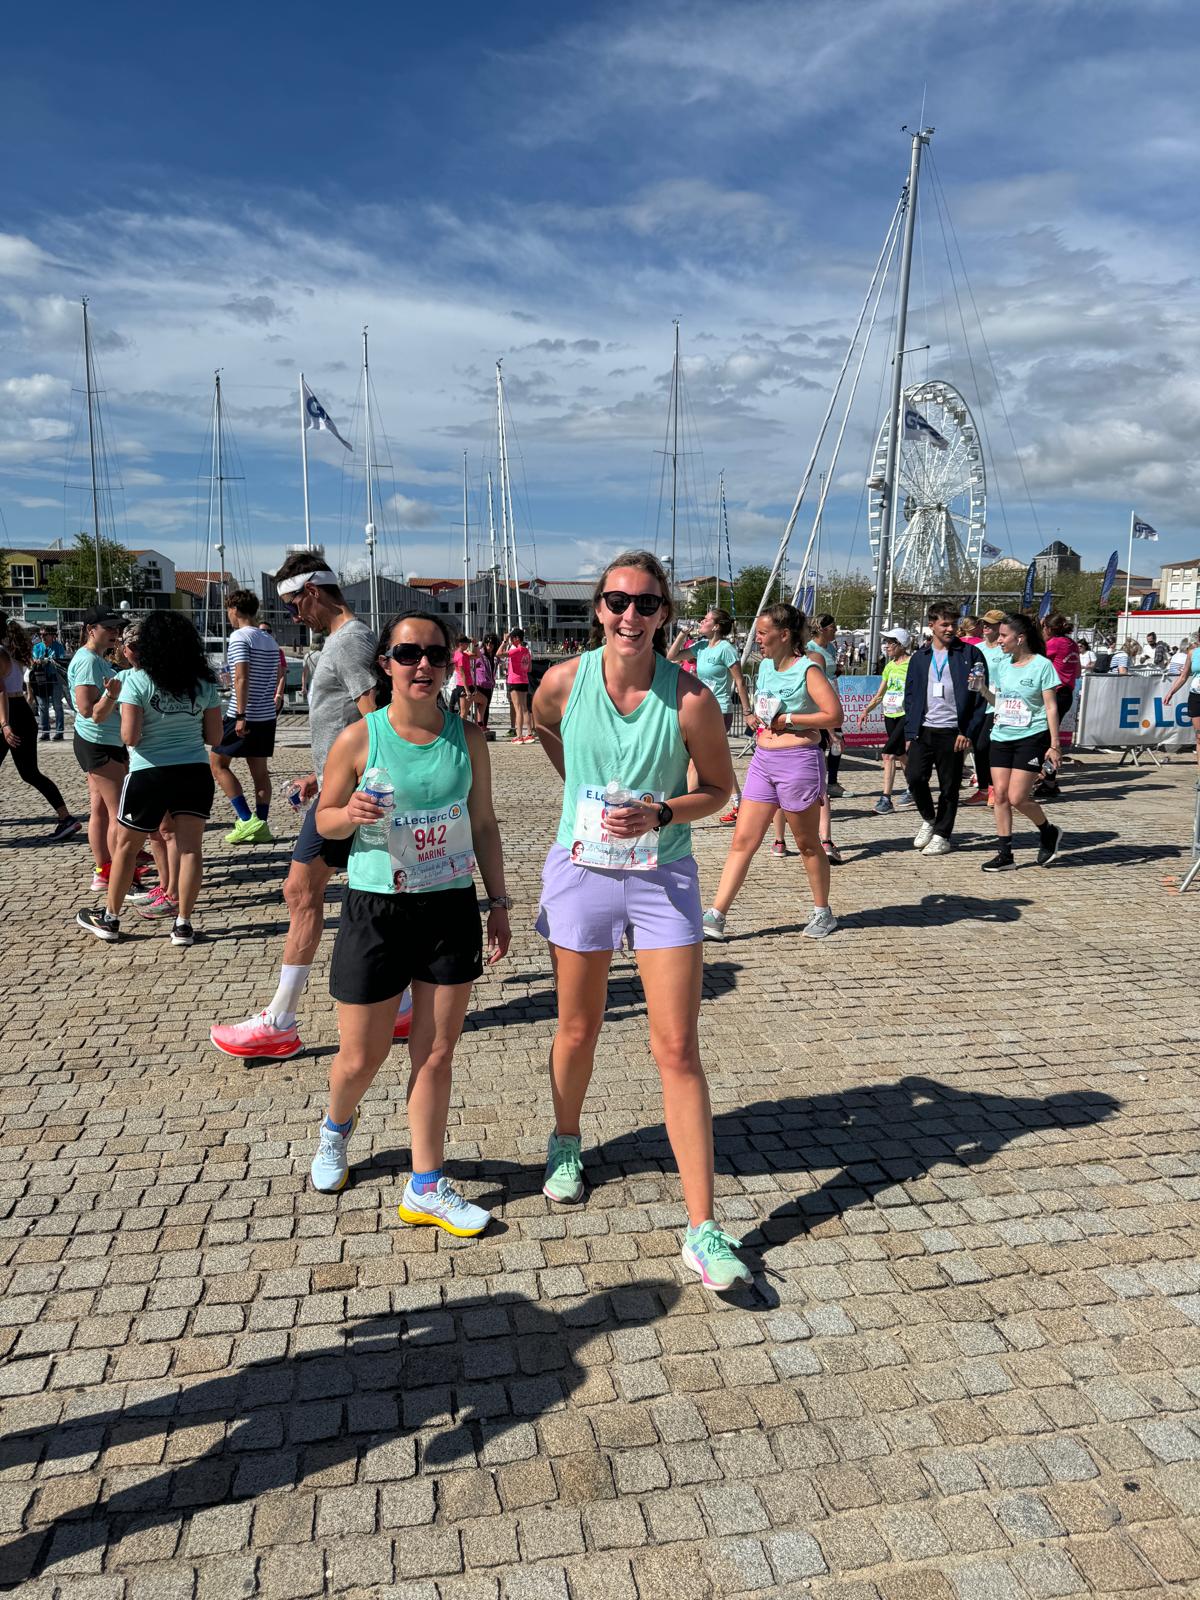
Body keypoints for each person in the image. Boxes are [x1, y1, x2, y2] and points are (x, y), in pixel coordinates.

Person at [532, 550, 750, 1291]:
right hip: (582, 873)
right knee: (577, 1028)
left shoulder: (690, 699)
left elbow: (718, 788)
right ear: (599, 607)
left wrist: (661, 811)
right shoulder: (563, 682)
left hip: (662, 877)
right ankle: (566, 1142)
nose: (631, 615)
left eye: (647, 604)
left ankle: (703, 1227)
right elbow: (545, 726)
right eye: (618, 601)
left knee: (678, 1047)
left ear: (664, 615)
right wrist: (578, 792)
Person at [308, 609, 510, 1235]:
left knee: (436, 1051)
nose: (422, 664)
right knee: (361, 1056)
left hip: (449, 905)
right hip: (377, 908)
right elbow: (324, 820)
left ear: (450, 663)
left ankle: (425, 1184)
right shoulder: (359, 738)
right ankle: (336, 1127)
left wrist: (499, 902)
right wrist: (350, 812)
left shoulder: (468, 737)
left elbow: (483, 823)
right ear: (386, 664)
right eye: (407, 653)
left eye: (435, 654)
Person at [210, 553, 411, 1060]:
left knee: (301, 891)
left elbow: (378, 720)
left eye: (292, 603)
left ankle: (280, 1022)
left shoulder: (350, 641)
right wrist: (321, 774)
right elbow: (352, 723)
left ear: (313, 591)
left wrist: (357, 788)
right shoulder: (342, 641)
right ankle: (403, 1006)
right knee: (361, 895)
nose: (292, 615)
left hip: (350, 797)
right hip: (338, 788)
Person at [76, 612, 222, 945]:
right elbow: (214, 736)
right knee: (190, 850)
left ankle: (110, 918)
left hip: (150, 771)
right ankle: (183, 924)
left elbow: (130, 736)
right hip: (194, 771)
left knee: (126, 848)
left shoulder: (137, 680)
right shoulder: (204, 683)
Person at [704, 602, 841, 942]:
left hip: (799, 762)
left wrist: (789, 719)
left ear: (784, 635)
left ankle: (822, 911)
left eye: (763, 633)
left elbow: (834, 715)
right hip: (762, 761)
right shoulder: (765, 667)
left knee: (807, 844)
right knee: (743, 840)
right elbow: (765, 707)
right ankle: (716, 914)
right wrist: (757, 717)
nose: (758, 639)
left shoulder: (808, 669)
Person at [978, 612, 1063, 872]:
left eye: (1004, 635)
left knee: (1017, 797)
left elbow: (1051, 707)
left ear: (1020, 638)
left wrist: (1055, 745)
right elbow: (1000, 703)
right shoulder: (1003, 665)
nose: (999, 640)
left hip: (1031, 736)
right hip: (1001, 735)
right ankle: (1005, 854)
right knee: (1000, 796)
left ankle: (1048, 831)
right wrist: (982, 689)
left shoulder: (1042, 666)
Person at [902, 602, 988, 856]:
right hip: (924, 729)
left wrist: (967, 732)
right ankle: (929, 819)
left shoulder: (970, 654)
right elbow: (910, 695)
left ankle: (943, 835)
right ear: (932, 625)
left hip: (953, 731)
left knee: (949, 786)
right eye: (945, 624)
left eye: (954, 624)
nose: (951, 629)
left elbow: (979, 697)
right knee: (915, 778)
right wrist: (910, 732)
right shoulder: (920, 657)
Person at [69, 606, 135, 886]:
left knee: (100, 808)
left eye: (116, 628)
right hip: (98, 741)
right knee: (118, 811)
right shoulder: (88, 661)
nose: (114, 633)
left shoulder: (95, 659)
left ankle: (104, 869)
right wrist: (112, 696)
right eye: (108, 628)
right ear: (90, 630)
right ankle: (119, 872)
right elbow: (86, 708)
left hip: (100, 740)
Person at [0, 614, 80, 843]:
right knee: (30, 772)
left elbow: (1, 691)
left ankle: (66, 818)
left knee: (30, 772)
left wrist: (4, 724)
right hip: (21, 712)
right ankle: (65, 817)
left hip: (9, 713)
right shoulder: (11, 652)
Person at [668, 607, 751, 823]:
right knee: (717, 759)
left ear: (716, 627)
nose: (701, 622)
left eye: (706, 620)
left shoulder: (726, 649)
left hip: (720, 710)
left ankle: (685, 813)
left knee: (694, 762)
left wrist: (747, 711)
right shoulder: (702, 646)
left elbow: (740, 681)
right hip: (700, 710)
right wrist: (682, 634)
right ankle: (739, 802)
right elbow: (672, 657)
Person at [211, 590, 280, 845]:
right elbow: (275, 675)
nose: (228, 616)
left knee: (217, 763)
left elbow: (241, 676)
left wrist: (240, 714)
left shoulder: (240, 637)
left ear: (235, 610)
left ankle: (246, 818)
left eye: (228, 611)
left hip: (244, 713)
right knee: (260, 772)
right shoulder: (269, 639)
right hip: (266, 714)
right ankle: (261, 824)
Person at [857, 627, 912, 813]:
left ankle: (886, 799)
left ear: (901, 644)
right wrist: (866, 710)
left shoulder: (912, 664)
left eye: (890, 642)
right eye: (886, 642)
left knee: (888, 754)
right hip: (890, 714)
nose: (886, 646)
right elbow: (880, 694)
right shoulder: (889, 666)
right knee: (901, 754)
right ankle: (915, 787)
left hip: (905, 715)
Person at [962, 609, 1006, 808]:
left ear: (1001, 627)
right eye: (984, 623)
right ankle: (983, 790)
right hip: (978, 702)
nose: (986, 626)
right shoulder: (977, 648)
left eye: (991, 623)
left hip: (997, 703)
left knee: (984, 746)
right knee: (977, 747)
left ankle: (994, 788)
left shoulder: (1005, 649)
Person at [1038, 614, 1080, 801]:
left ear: (1048, 628)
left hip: (1055, 694)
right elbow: (1077, 671)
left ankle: (1048, 780)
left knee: (1045, 740)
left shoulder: (1054, 644)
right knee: (1048, 739)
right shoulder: (1072, 644)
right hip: (1066, 693)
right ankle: (1048, 780)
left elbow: (1033, 660)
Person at [1163, 632, 1200, 775]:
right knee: (1199, 737)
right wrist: (1171, 692)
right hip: (1196, 696)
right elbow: (1184, 676)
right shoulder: (1192, 653)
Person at [32, 624, 68, 740]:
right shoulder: (37, 647)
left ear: (52, 636)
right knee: (43, 705)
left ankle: (59, 732)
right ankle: (45, 732)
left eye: (45, 635)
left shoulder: (58, 647)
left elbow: (60, 660)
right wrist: (38, 661)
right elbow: (33, 659)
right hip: (41, 679)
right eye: (41, 635)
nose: (42, 637)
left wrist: (48, 661)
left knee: (57, 705)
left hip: (55, 678)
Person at [502, 627, 534, 742]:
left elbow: (498, 653)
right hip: (524, 680)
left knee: (518, 709)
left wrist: (504, 641)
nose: (510, 640)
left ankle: (519, 735)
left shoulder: (516, 650)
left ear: (516, 638)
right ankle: (529, 734)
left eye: (511, 638)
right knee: (525, 708)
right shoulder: (526, 651)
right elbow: (529, 669)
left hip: (514, 681)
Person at [258, 621, 289, 714]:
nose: (265, 633)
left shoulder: (278, 651)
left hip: (273, 697)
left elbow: (282, 675)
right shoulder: (251, 649)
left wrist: (278, 695)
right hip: (255, 698)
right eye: (262, 631)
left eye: (268, 631)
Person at [450, 636, 475, 719]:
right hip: (463, 686)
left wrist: (475, 644)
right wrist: (467, 690)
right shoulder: (460, 656)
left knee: (483, 701)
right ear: (461, 644)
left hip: (466, 685)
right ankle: (460, 727)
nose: (468, 645)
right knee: (464, 713)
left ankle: (462, 726)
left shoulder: (462, 654)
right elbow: (462, 674)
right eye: (466, 643)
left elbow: (477, 655)